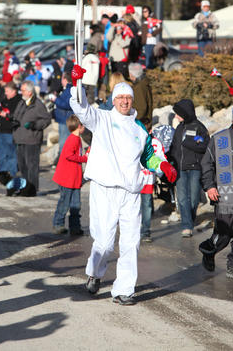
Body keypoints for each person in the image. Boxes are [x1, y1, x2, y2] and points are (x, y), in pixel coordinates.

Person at [70, 66, 177, 305]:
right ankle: (95, 273)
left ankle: (124, 289)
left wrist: (163, 166)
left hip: (131, 192)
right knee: (105, 242)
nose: (125, 102)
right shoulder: (103, 119)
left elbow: (149, 154)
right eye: (120, 98)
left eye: (128, 97)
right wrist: (77, 84)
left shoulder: (139, 128)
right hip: (105, 188)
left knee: (131, 242)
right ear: (113, 100)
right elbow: (82, 109)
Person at [199, 103, 233, 280]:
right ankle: (208, 250)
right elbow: (206, 165)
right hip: (225, 196)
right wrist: (210, 186)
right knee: (223, 235)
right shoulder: (220, 139)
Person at [169, 99, 210, 237]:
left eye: (178, 114)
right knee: (182, 198)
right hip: (180, 168)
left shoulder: (200, 127)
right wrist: (170, 161)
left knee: (193, 199)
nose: (176, 116)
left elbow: (205, 146)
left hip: (195, 168)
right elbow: (174, 147)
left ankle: (190, 220)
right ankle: (186, 226)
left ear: (185, 113)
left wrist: (188, 142)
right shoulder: (179, 128)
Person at [12, 80, 51, 195]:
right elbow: (17, 117)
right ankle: (24, 187)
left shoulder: (38, 104)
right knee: (22, 165)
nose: (21, 92)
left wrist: (35, 125)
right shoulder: (22, 103)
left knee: (32, 166)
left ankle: (32, 189)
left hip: (32, 140)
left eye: (23, 90)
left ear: (29, 92)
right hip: (20, 138)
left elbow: (47, 119)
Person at [52, 115, 88, 235]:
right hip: (67, 178)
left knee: (76, 204)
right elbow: (68, 155)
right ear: (79, 126)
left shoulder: (76, 138)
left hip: (74, 178)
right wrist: (84, 158)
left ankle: (75, 227)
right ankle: (58, 223)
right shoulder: (73, 139)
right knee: (65, 203)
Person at [0, 82, 22, 183]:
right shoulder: (5, 99)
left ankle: (11, 173)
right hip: (0, 129)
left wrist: (6, 115)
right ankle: (2, 172)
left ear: (14, 91)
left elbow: (17, 116)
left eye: (7, 91)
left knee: (11, 153)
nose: (5, 93)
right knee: (1, 153)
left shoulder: (18, 101)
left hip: (9, 131)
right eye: (5, 91)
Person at [51, 72, 74, 153]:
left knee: (63, 144)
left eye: (62, 79)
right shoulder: (67, 89)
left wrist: (55, 99)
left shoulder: (70, 90)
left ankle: (63, 162)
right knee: (63, 142)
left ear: (65, 79)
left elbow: (67, 104)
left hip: (66, 120)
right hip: (64, 119)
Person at [128, 62, 153, 131]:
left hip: (141, 124)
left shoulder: (139, 87)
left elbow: (142, 108)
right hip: (142, 122)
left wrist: (132, 120)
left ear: (132, 74)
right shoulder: (142, 84)